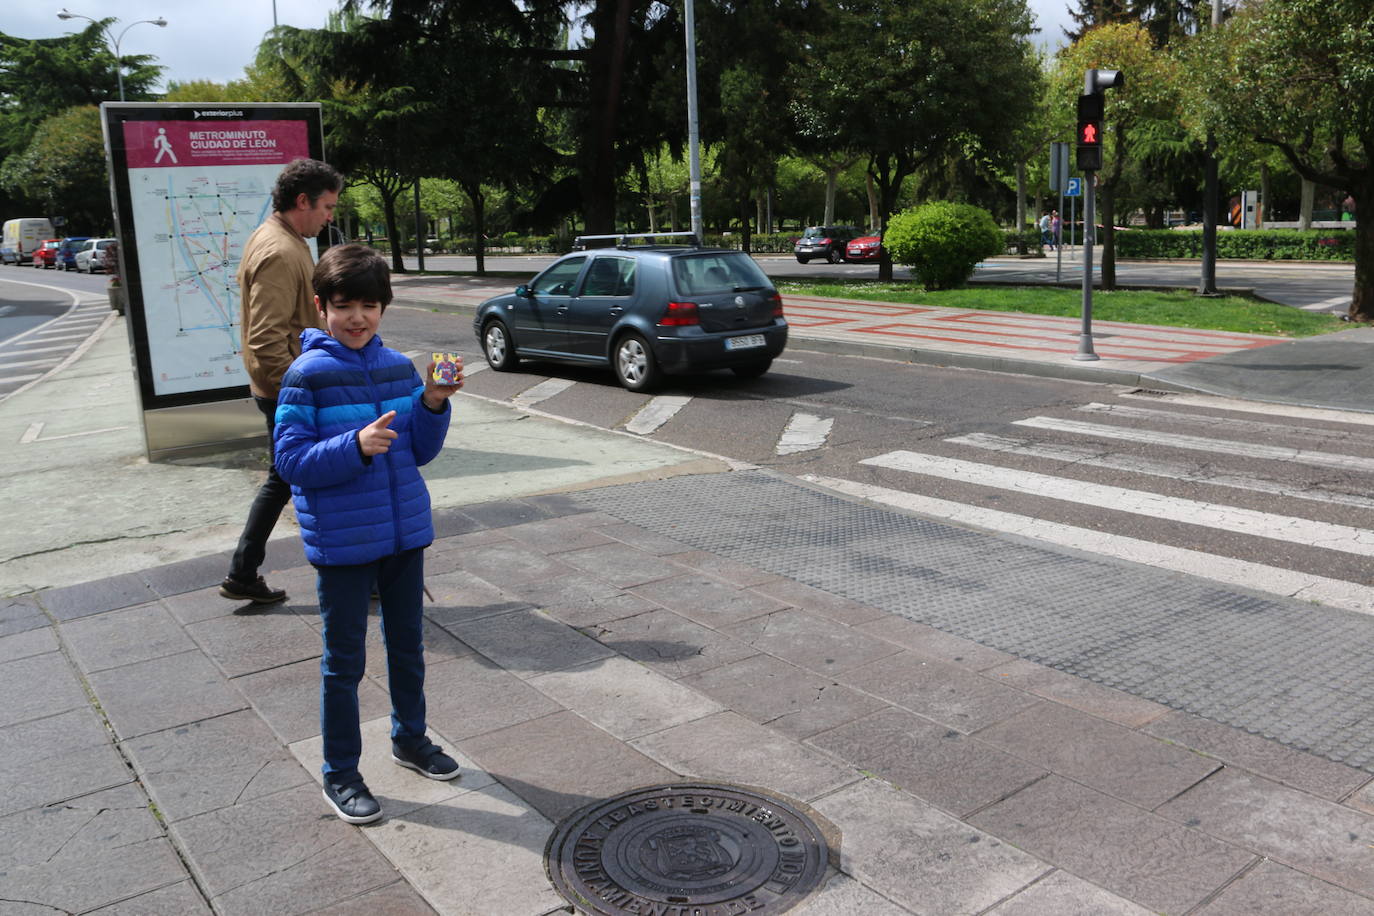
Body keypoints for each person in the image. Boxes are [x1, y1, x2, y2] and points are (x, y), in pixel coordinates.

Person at [273, 244, 464, 824]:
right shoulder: (307, 375)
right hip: (345, 543)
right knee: (344, 661)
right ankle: (340, 772)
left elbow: (419, 452)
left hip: (405, 534)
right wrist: (353, 446)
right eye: (343, 305)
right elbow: (291, 461)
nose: (357, 317)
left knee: (408, 648)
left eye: (369, 305)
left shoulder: (397, 367)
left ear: (384, 307)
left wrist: (432, 403)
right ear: (320, 307)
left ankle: (410, 739)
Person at [220, 158, 343, 604]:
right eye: (327, 206)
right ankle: (355, 572)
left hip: (283, 387)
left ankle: (243, 572)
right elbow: (266, 338)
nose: (330, 216)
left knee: (287, 478)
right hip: (286, 390)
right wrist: (300, 392)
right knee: (309, 475)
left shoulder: (282, 239)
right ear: (302, 200)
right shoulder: (279, 249)